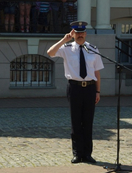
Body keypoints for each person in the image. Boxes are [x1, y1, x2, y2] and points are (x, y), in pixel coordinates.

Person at [47, 21, 104, 164]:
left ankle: (88, 154)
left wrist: (97, 91)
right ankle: (78, 154)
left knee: (88, 122)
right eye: (77, 33)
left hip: (90, 88)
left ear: (85, 33)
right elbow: (50, 52)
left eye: (82, 33)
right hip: (75, 88)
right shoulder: (66, 48)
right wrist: (63, 40)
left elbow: (96, 72)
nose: (80, 35)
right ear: (73, 34)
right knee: (76, 122)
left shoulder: (93, 49)